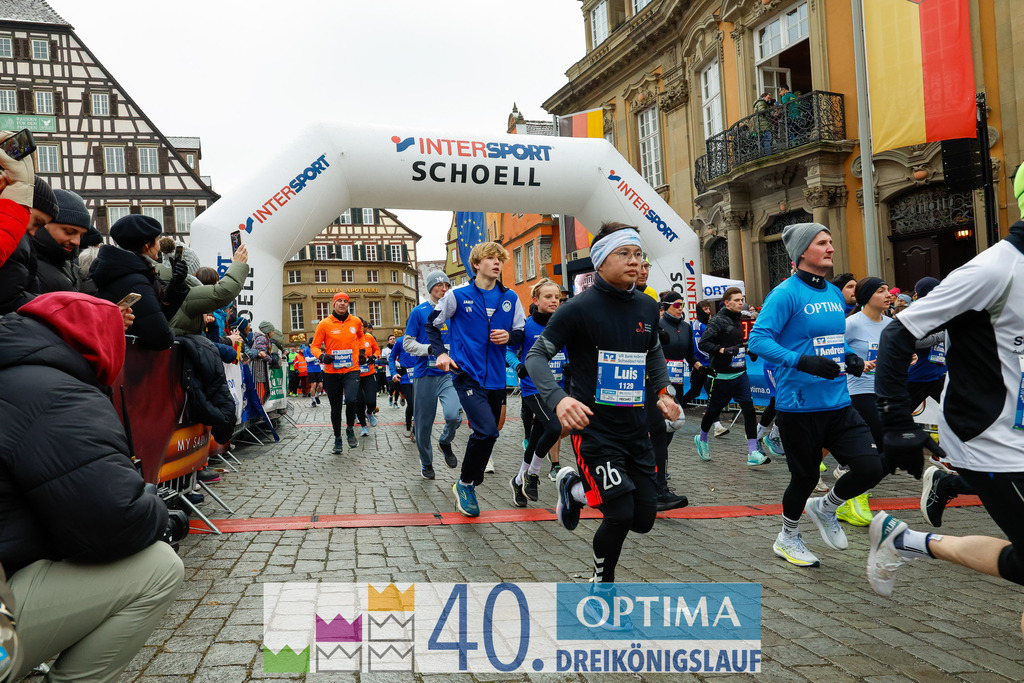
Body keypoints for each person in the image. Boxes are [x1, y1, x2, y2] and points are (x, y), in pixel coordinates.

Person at [0, 292, 184, 682]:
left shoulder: (15, 375)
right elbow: (114, 522)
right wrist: (162, 515)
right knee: (158, 568)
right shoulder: (58, 394)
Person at [865, 166, 1024, 612]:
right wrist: (895, 419)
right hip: (990, 437)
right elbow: (898, 334)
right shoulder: (994, 269)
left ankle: (905, 539)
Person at [524, 223, 680, 622]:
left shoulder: (648, 306)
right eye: (624, 254)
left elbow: (653, 353)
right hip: (595, 430)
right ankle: (602, 582)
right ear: (601, 260)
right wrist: (559, 400)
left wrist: (663, 393)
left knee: (644, 519)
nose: (635, 261)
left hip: (637, 428)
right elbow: (535, 358)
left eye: (638, 254)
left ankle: (572, 487)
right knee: (620, 515)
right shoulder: (576, 309)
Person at [748, 222, 882, 568]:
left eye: (831, 241)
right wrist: (801, 360)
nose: (831, 248)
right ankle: (787, 537)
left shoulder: (834, 294)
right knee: (805, 478)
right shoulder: (785, 293)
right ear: (803, 252)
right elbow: (758, 340)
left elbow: (833, 341)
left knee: (871, 466)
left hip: (839, 401)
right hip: (799, 405)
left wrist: (849, 358)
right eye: (823, 242)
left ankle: (826, 507)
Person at [427, 241, 525, 518]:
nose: (497, 263)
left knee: (489, 434)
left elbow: (520, 331)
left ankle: (469, 479)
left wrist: (510, 337)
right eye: (491, 258)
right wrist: (442, 354)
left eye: (500, 259)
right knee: (487, 431)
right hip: (467, 376)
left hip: (496, 379)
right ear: (476, 264)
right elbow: (431, 326)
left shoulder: (510, 298)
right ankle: (466, 484)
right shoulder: (457, 295)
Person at [837, 276, 893, 527]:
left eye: (887, 291)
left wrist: (907, 356)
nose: (888, 295)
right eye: (881, 291)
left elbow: (894, 355)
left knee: (888, 453)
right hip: (857, 392)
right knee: (879, 443)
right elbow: (832, 351)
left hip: (884, 392)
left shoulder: (891, 324)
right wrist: (856, 365)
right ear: (867, 296)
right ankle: (854, 494)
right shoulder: (852, 324)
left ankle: (851, 487)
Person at [507, 279, 568, 507]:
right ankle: (533, 474)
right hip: (533, 389)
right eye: (548, 297)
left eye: (557, 298)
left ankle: (517, 480)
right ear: (536, 300)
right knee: (554, 427)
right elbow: (508, 351)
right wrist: (518, 366)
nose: (554, 301)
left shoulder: (563, 324)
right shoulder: (525, 326)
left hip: (557, 388)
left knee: (536, 437)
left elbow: (567, 353)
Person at [695, 286, 769, 466]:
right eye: (736, 300)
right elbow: (704, 344)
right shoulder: (718, 321)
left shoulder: (742, 319)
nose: (740, 302)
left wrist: (749, 351)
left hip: (740, 374)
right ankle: (702, 438)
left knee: (750, 411)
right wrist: (722, 350)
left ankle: (753, 452)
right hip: (721, 376)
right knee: (713, 411)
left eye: (741, 299)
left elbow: (742, 342)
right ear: (726, 303)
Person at [90, 215, 187, 350]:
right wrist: (180, 337)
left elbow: (155, 314)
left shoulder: (123, 270)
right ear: (147, 245)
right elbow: (160, 336)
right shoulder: (135, 280)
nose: (159, 247)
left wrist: (176, 284)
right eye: (157, 240)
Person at [403, 270, 462, 479]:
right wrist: (430, 350)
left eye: (446, 285)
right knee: (423, 425)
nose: (444, 289)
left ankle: (445, 441)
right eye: (439, 286)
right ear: (430, 288)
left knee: (454, 415)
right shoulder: (419, 312)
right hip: (424, 373)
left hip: (448, 374)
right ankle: (426, 462)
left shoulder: (454, 310)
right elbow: (407, 343)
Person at [651, 290, 693, 510]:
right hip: (658, 385)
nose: (680, 307)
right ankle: (657, 479)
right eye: (676, 304)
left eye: (682, 304)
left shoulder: (685, 327)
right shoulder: (658, 326)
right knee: (660, 429)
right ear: (665, 306)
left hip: (676, 384)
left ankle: (657, 467)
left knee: (673, 426)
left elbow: (691, 353)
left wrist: (698, 367)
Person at [312, 292, 364, 453]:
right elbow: (314, 346)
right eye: (339, 301)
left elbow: (361, 337)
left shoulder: (356, 321)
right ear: (333, 304)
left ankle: (349, 428)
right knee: (335, 408)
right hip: (332, 371)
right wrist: (322, 356)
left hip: (351, 369)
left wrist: (362, 352)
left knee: (351, 399)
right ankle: (337, 439)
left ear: (348, 304)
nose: (342, 303)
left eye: (345, 301)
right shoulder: (324, 324)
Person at [168, 245, 249, 335]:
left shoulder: (167, 287)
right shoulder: (183, 293)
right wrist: (238, 265)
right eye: (195, 273)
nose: (197, 277)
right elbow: (222, 293)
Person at [32, 189, 93, 293]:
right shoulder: (22, 261)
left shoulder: (71, 266)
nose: (77, 242)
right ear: (42, 223)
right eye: (69, 232)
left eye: (81, 236)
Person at [680, 299, 713, 408]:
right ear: (699, 311)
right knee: (696, 391)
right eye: (705, 309)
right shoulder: (696, 325)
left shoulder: (709, 324)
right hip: (699, 364)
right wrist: (713, 355)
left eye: (709, 308)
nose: (708, 311)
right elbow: (699, 347)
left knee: (711, 391)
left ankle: (713, 414)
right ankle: (681, 405)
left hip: (709, 364)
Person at [388, 334, 416, 444]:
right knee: (412, 403)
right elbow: (391, 358)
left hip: (420, 377)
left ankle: (415, 430)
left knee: (418, 404)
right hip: (405, 378)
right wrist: (394, 372)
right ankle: (408, 426)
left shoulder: (423, 339)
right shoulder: (400, 341)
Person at [355, 318, 381, 436]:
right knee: (359, 402)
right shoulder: (351, 339)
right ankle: (364, 426)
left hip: (369, 373)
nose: (360, 329)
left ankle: (369, 412)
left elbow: (377, 350)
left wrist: (373, 357)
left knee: (371, 401)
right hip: (355, 374)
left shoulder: (369, 337)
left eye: (362, 326)